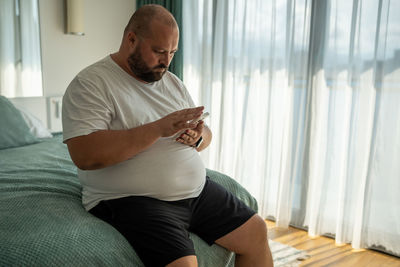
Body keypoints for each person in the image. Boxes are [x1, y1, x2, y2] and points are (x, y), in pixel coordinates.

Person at [62, 4, 273, 267]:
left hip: (196, 191)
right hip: (131, 199)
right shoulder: (92, 83)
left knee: (256, 231)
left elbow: (204, 135)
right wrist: (157, 128)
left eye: (172, 52)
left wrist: (198, 137)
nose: (166, 61)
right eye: (159, 51)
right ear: (131, 39)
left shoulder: (172, 83)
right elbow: (85, 155)